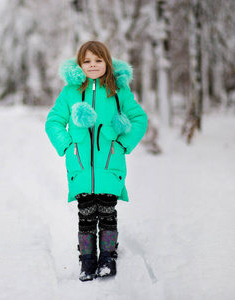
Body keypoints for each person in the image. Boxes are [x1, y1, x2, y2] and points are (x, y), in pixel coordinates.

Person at [45, 41, 148, 281]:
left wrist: (122, 144)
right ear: (80, 64)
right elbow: (53, 121)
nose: (93, 65)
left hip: (110, 164)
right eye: (88, 61)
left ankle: (108, 258)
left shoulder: (117, 90)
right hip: (79, 165)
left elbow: (139, 119)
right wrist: (67, 145)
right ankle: (87, 260)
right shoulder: (71, 91)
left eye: (98, 60)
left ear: (107, 63)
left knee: (108, 212)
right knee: (87, 214)